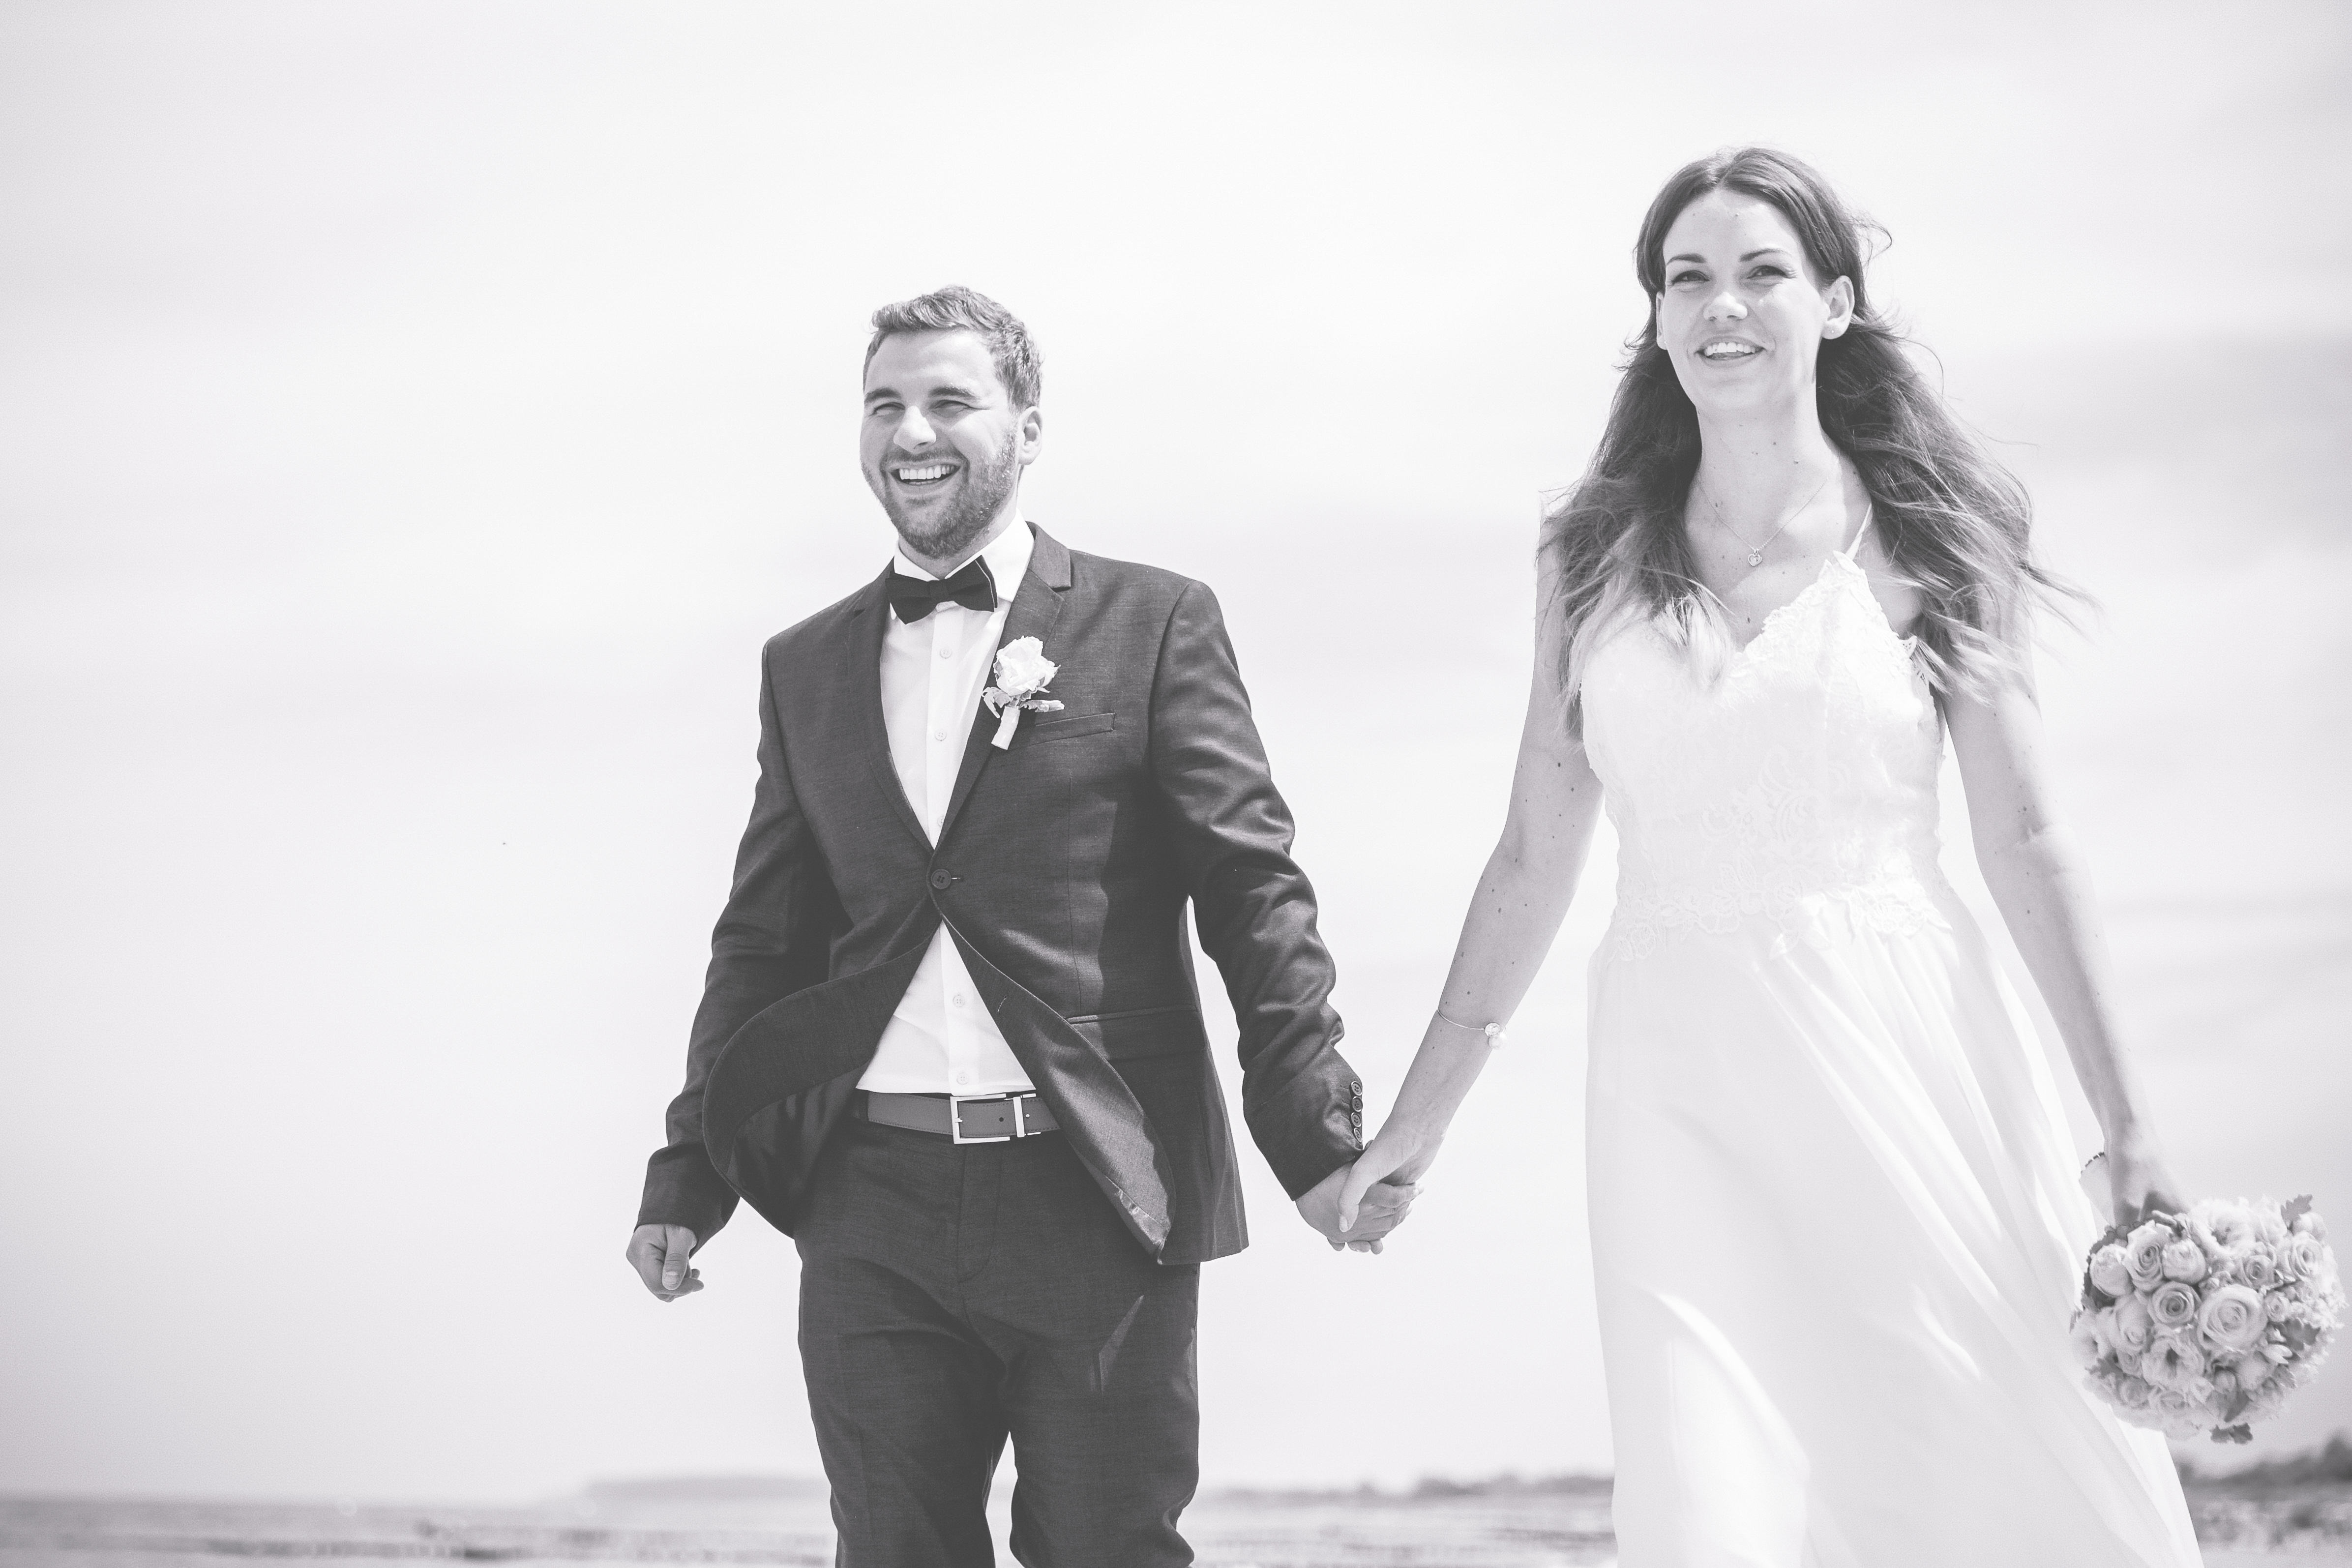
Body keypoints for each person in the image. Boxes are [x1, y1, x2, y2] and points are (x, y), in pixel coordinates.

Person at [1338, 148, 2203, 1564]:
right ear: (1657, 319)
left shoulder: (1933, 538)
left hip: (1906, 1053)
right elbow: (1530, 851)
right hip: (1676, 1078)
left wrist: (2134, 1126)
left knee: (1965, 1469)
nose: (1721, 306)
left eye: (1760, 273)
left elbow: (2027, 838)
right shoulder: (1587, 555)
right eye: (1688, 277)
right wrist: (1421, 1122)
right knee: (1706, 1496)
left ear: (1837, 305)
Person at [625, 285, 1414, 1568]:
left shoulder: (1155, 622)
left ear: (1028, 426)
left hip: (1097, 1188)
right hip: (867, 1202)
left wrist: (1318, 1135)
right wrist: (689, 1170)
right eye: (884, 404)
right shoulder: (804, 665)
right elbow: (761, 946)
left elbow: (1253, 890)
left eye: (948, 400)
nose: (912, 431)